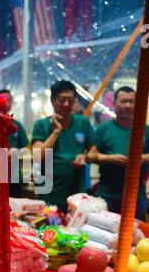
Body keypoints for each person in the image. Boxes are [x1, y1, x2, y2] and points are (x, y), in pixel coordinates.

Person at [32, 80, 96, 211]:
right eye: (62, 100)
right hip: (50, 193)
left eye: (71, 100)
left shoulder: (82, 122)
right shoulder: (41, 125)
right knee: (50, 230)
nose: (67, 104)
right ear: (52, 100)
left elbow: (93, 152)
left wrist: (85, 157)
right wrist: (56, 131)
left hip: (77, 194)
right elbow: (38, 157)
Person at [88, 86, 149, 221]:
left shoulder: (145, 130)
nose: (127, 105)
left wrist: (142, 158)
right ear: (114, 103)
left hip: (136, 196)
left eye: (131, 101)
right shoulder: (103, 129)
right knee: (106, 238)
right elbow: (91, 156)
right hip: (107, 195)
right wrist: (110, 158)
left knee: (136, 237)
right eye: (123, 101)